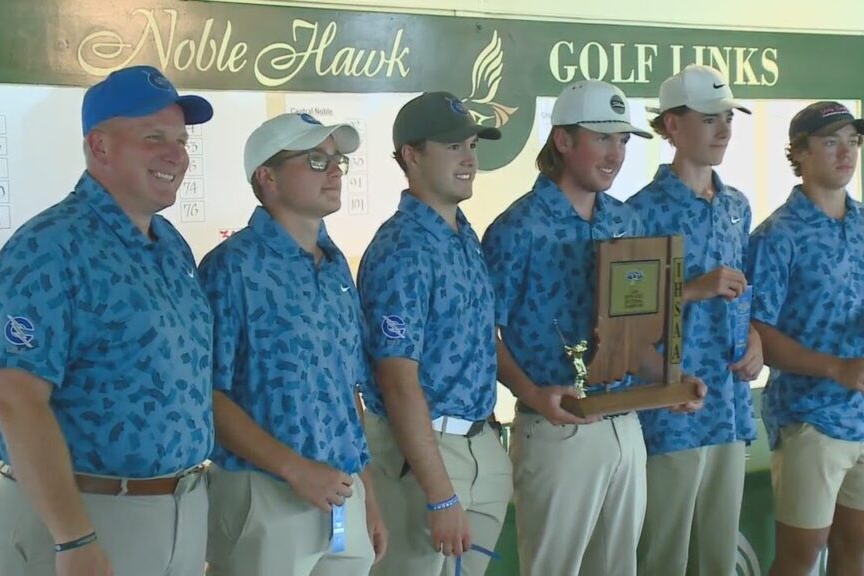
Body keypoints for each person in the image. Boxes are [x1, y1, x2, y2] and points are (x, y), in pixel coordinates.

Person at [0, 65, 214, 576]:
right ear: (100, 146)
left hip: (177, 511)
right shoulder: (48, 247)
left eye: (180, 138)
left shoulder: (172, 245)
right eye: (153, 137)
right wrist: (73, 539)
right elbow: (17, 400)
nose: (176, 153)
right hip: (85, 520)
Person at [482, 79, 702, 576]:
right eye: (603, 138)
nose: (616, 153)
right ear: (563, 141)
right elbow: (484, 337)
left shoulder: (626, 221)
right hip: (558, 429)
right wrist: (535, 395)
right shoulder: (516, 228)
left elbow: (634, 335)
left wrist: (672, 381)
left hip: (627, 422)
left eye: (623, 140)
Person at [199, 112, 387, 575]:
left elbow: (348, 393)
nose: (336, 170)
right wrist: (294, 469)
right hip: (262, 494)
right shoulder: (231, 267)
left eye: (337, 160)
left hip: (343, 495)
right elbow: (208, 395)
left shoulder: (338, 266)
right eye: (316, 160)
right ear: (268, 177)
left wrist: (370, 496)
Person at [747, 101, 864, 576]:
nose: (846, 153)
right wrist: (834, 368)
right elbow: (759, 331)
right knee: (799, 559)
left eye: (853, 142)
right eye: (830, 142)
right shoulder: (777, 234)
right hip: (812, 419)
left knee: (855, 553)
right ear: (799, 153)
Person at [356, 92, 512, 576]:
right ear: (411, 155)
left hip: (482, 440)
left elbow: (483, 343)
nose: (469, 159)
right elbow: (397, 379)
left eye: (471, 145)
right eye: (452, 147)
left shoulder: (464, 235)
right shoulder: (400, 248)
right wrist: (440, 493)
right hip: (423, 456)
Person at [626, 64, 762, 576]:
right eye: (710, 119)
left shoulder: (736, 206)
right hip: (671, 405)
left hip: (728, 401)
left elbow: (745, 291)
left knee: (721, 554)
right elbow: (624, 312)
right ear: (673, 127)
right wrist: (693, 288)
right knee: (665, 555)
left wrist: (755, 339)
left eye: (728, 117)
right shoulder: (639, 212)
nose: (724, 129)